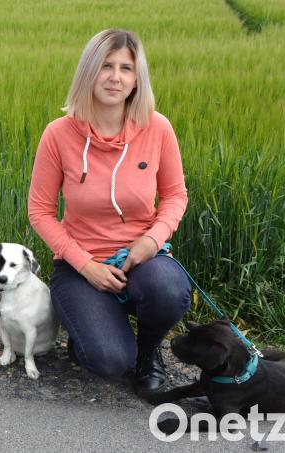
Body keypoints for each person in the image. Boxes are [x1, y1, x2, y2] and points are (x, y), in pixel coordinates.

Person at [28, 29, 191, 393]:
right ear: (89, 72)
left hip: (144, 259)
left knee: (168, 289)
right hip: (79, 266)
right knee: (109, 361)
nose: (115, 77)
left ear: (137, 79)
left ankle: (149, 352)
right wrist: (86, 266)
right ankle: (96, 330)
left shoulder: (157, 128)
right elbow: (39, 211)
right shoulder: (58, 134)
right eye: (105, 66)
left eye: (125, 69)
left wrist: (151, 241)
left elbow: (176, 196)